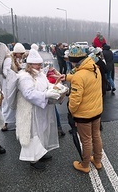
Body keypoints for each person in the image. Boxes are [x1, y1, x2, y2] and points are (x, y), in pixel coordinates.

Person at [15, 49, 61, 170]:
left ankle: (40, 152)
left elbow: (46, 85)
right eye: (37, 64)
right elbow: (28, 93)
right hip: (31, 110)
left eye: (40, 64)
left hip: (41, 108)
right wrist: (46, 95)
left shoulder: (39, 74)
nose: (40, 66)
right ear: (29, 64)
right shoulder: (24, 77)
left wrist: (55, 88)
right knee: (33, 133)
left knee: (42, 130)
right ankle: (33, 159)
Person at [64, 45, 103, 173]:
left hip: (84, 115)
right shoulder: (94, 68)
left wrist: (71, 111)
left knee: (86, 140)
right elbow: (80, 76)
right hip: (97, 111)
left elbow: (75, 101)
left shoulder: (79, 76)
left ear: (72, 60)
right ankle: (97, 161)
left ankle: (84, 164)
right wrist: (65, 77)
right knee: (96, 136)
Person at [46, 61, 66, 137]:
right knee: (54, 111)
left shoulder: (47, 74)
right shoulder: (48, 74)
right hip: (52, 94)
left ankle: (57, 128)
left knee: (52, 111)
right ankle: (59, 128)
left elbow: (60, 80)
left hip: (50, 94)